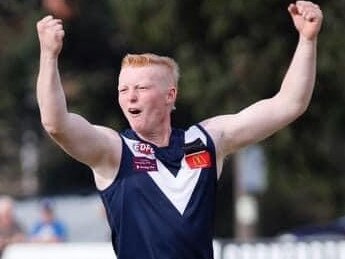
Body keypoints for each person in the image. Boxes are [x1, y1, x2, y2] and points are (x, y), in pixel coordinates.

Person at [35, 1, 323, 258]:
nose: (130, 96)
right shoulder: (113, 150)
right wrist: (49, 56)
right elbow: (55, 123)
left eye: (141, 88)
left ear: (170, 95)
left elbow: (288, 104)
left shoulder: (207, 139)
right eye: (123, 89)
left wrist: (307, 40)